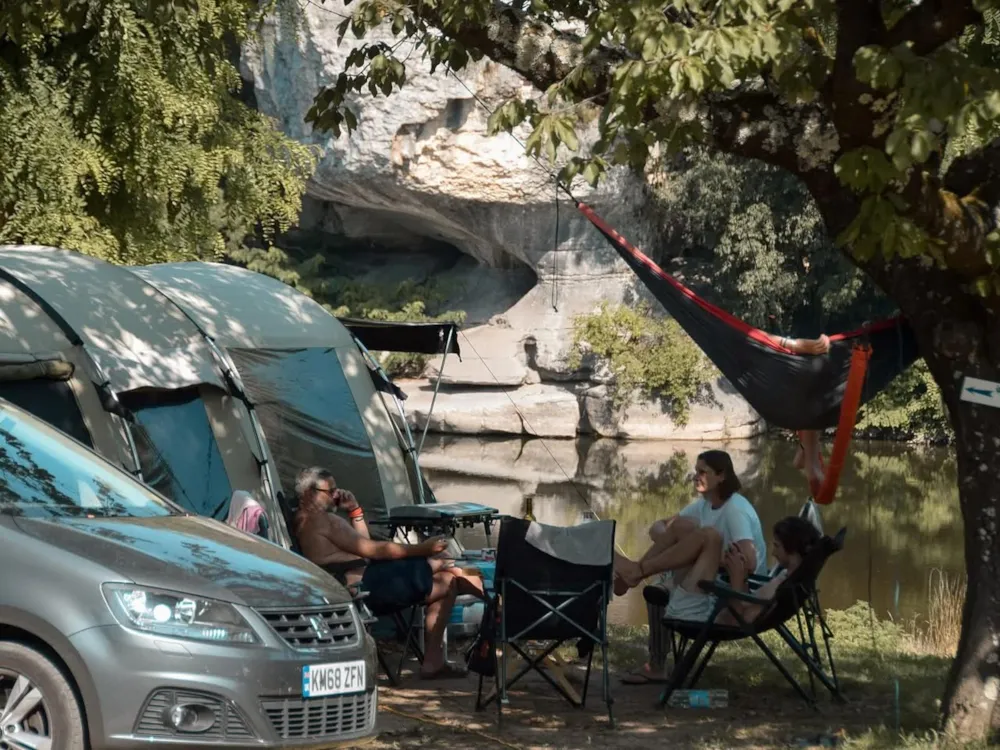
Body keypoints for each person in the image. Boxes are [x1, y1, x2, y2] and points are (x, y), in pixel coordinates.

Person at [293, 466, 483, 680]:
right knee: (445, 563)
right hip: (364, 590)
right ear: (308, 493)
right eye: (330, 491)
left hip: (362, 587)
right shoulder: (321, 520)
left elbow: (363, 545)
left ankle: (434, 662)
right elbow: (375, 550)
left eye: (337, 490)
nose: (337, 495)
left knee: (449, 580)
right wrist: (423, 549)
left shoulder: (304, 520)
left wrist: (354, 511)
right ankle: (499, 610)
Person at [615, 450, 767, 684]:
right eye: (696, 471)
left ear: (721, 476)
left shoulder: (735, 509)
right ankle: (637, 572)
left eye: (702, 472)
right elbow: (659, 527)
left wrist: (700, 553)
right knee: (683, 530)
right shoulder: (704, 505)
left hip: (734, 589)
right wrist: (680, 546)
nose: (695, 476)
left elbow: (750, 561)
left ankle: (636, 573)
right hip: (711, 578)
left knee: (703, 540)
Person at [715, 515, 822, 626]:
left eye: (777, 546)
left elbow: (736, 620)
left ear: (792, 547)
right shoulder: (789, 578)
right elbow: (749, 602)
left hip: (726, 624)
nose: (773, 553)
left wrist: (736, 579)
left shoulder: (782, 586)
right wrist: (742, 575)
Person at [765, 331, 832, 494]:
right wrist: (796, 345)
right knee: (811, 464)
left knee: (811, 463)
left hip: (812, 379)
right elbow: (760, 339)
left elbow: (798, 464)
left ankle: (818, 487)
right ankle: (818, 487)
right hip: (800, 375)